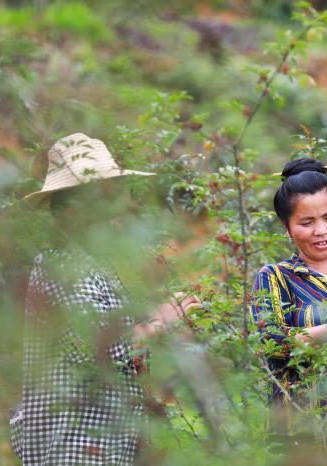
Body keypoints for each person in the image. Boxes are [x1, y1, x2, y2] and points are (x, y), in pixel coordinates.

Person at [11, 133, 199, 465]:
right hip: (74, 448)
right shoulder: (63, 266)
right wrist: (167, 317)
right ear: (70, 212)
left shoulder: (94, 262)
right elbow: (102, 351)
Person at [251, 158, 327, 403]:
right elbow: (272, 348)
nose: (321, 230)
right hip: (300, 427)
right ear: (287, 227)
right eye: (307, 223)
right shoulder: (276, 278)